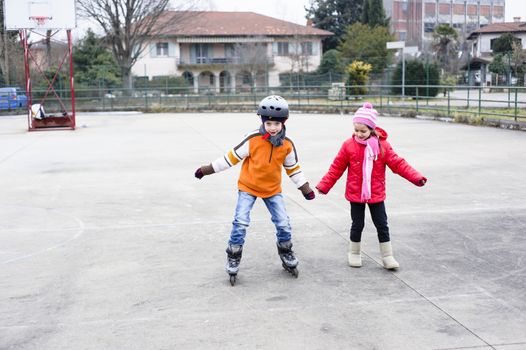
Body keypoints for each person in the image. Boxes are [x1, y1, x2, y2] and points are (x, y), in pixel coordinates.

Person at [195, 95, 315, 285]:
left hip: (272, 189)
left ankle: (286, 252)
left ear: (284, 122)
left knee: (283, 222)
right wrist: (206, 170)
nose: (273, 127)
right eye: (268, 123)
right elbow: (230, 158)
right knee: (241, 222)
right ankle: (233, 254)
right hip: (248, 187)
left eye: (276, 123)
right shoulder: (253, 139)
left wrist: (305, 188)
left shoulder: (287, 144)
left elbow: (293, 168)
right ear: (262, 121)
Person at [316, 102, 426, 270]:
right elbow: (336, 167)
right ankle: (354, 252)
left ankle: (387, 256)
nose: (359, 134)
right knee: (357, 224)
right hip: (356, 194)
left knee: (382, 224)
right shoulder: (348, 145)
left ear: (372, 129)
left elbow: (399, 164)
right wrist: (324, 185)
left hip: (376, 193)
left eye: (363, 131)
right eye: (356, 130)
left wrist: (416, 177)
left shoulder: (383, 147)